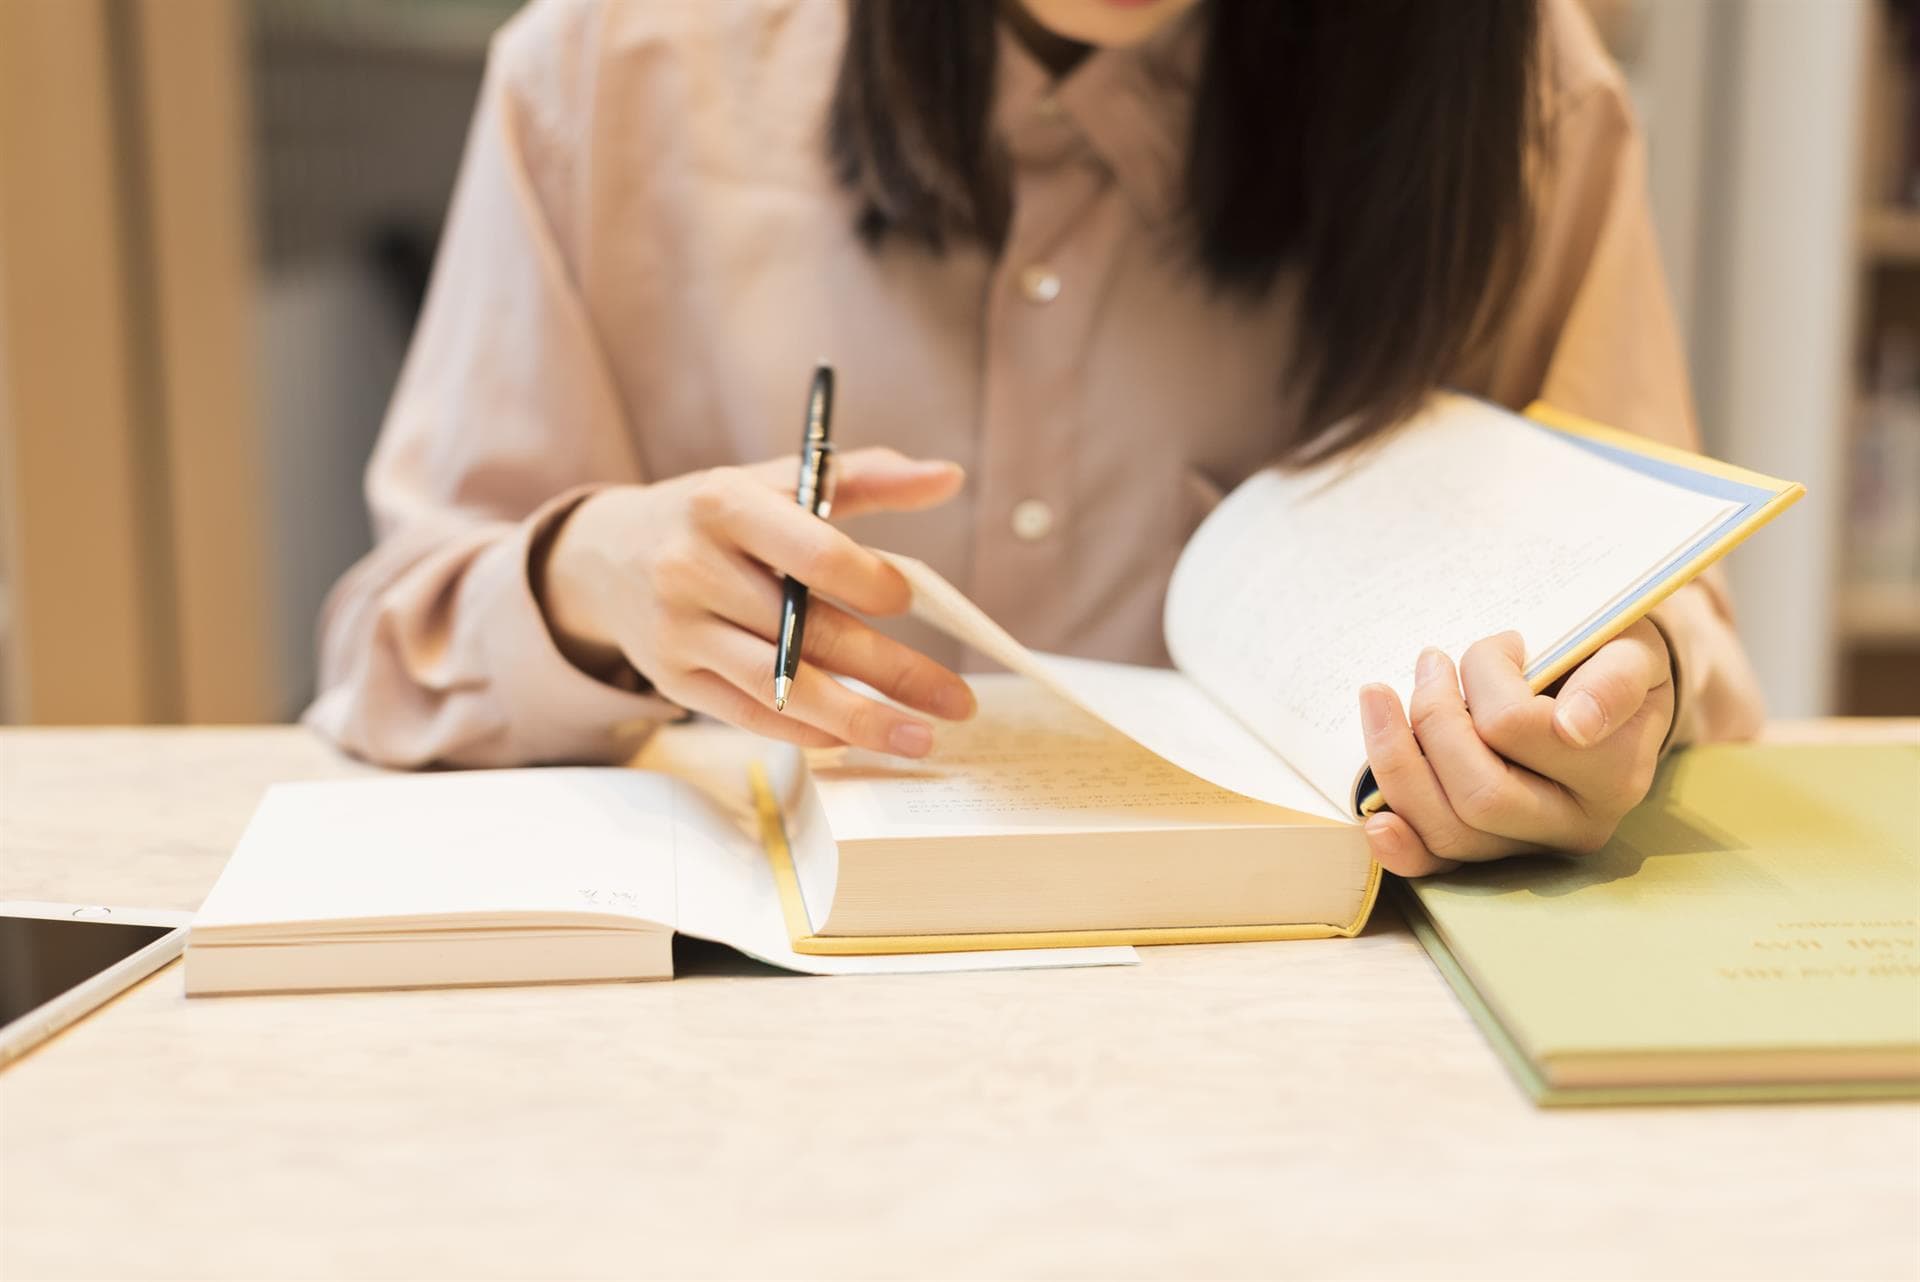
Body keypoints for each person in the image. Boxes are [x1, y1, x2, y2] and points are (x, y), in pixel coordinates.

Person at [308, 0, 1765, 878]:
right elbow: (389, 647)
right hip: (744, 1048)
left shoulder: (1508, 91)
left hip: (1312, 1053)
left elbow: (1666, 620)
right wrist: (589, 575)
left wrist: (1612, 704)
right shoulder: (617, 67)